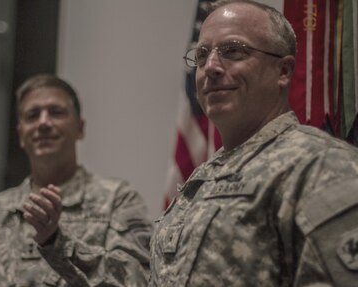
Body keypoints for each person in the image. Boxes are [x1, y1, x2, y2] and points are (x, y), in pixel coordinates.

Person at [149, 1, 358, 286]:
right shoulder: (201, 180)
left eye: (233, 51)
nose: (210, 67)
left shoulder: (323, 166)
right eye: (201, 55)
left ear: (283, 71)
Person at [0, 74, 153, 287]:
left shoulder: (118, 199)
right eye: (32, 115)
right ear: (21, 135)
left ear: (80, 128)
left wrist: (56, 243)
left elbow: (140, 280)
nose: (43, 122)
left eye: (56, 112)